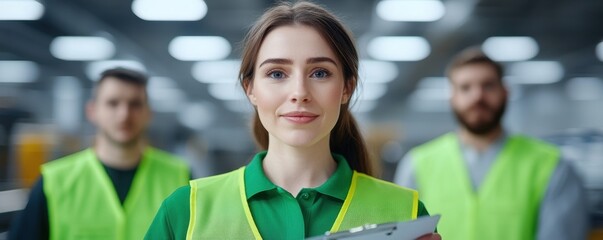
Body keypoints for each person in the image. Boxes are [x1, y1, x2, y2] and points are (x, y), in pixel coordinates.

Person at [145, 2, 440, 240]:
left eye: (320, 73)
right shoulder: (186, 211)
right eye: (277, 74)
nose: (299, 92)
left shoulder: (408, 215)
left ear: (346, 88)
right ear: (250, 89)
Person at [394, 47, 589, 240]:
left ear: (505, 92)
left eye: (488, 86)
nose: (478, 96)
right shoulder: (416, 165)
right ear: (452, 97)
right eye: (465, 87)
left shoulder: (551, 166)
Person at [9, 68, 190, 240]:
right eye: (113, 103)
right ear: (92, 111)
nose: (124, 114)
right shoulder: (54, 183)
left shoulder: (180, 178)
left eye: (135, 104)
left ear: (148, 113)